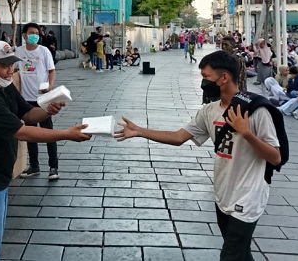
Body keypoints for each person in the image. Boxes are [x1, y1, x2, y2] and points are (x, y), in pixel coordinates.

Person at [116, 51, 281, 260]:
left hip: (249, 196)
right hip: (223, 193)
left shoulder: (256, 111)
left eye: (206, 77)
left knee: (230, 255)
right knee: (241, 254)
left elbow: (275, 157)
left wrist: (246, 133)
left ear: (224, 78)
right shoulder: (209, 111)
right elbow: (178, 137)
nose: (203, 83)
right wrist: (140, 131)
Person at [0, 41, 91, 261]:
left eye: (12, 65)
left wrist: (48, 109)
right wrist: (67, 134)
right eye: (4, 65)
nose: (10, 71)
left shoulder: (5, 86)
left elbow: (27, 114)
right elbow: (22, 131)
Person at [15, 23, 59, 181]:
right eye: (31, 33)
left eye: (37, 33)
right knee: (30, 135)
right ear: (24, 35)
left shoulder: (44, 51)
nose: (35, 36)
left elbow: (51, 70)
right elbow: (12, 70)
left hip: (43, 99)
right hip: (26, 100)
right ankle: (34, 166)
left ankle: (53, 167)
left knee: (48, 133)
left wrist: (50, 85)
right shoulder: (19, 52)